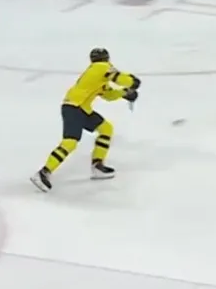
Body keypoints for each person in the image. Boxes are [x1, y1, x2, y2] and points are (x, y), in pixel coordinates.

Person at [32, 47, 139, 192]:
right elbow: (119, 77)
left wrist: (124, 93)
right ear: (106, 58)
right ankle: (44, 172)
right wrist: (132, 82)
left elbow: (108, 95)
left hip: (80, 108)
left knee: (106, 128)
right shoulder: (101, 67)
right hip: (74, 108)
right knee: (70, 142)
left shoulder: (97, 74)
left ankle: (97, 165)